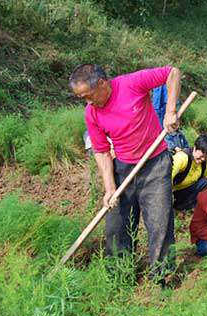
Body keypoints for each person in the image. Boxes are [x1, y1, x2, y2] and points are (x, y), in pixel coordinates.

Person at [70, 64, 181, 278]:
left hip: (155, 164)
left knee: (160, 222)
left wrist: (170, 112)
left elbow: (172, 73)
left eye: (89, 95)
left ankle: (162, 276)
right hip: (123, 168)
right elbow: (101, 151)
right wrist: (110, 188)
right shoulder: (91, 113)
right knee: (117, 224)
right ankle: (120, 276)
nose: (88, 102)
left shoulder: (131, 83)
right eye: (82, 98)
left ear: (101, 84)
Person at [172, 134, 207, 210]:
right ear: (195, 148)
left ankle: (187, 208)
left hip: (184, 192)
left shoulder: (205, 165)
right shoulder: (182, 158)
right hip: (171, 192)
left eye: (206, 157)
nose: (203, 159)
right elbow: (165, 179)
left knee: (205, 183)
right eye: (201, 156)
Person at [152, 84, 189, 152]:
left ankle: (164, 78)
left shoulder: (179, 137)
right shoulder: (179, 136)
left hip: (162, 121)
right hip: (165, 117)